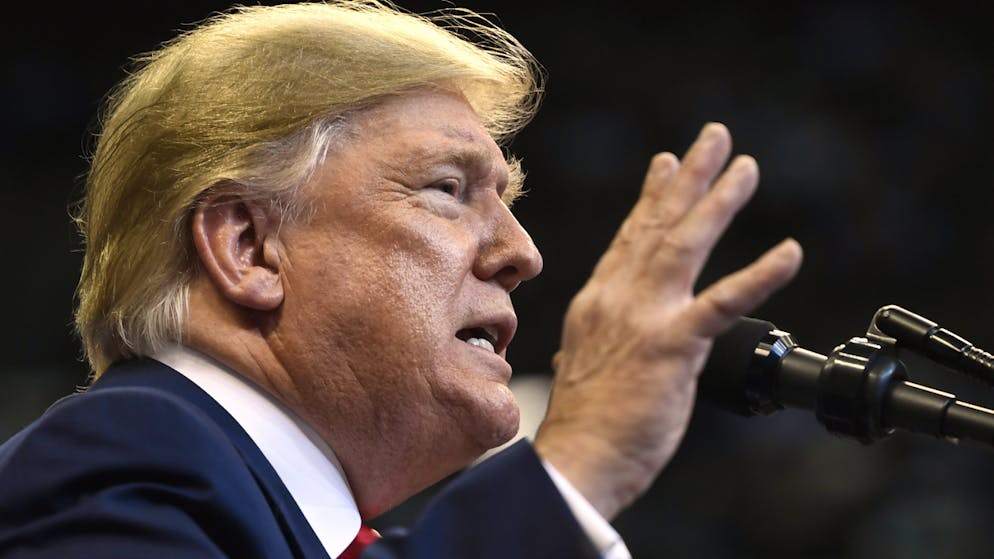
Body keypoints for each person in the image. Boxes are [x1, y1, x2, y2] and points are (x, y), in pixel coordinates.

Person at [0, 2, 802, 558]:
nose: (521, 252)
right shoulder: (115, 463)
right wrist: (580, 460)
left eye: (508, 200)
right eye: (447, 189)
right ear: (249, 247)